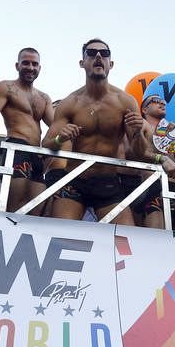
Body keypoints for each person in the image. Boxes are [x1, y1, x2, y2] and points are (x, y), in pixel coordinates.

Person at [42, 38, 144, 224]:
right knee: (59, 234)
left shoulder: (126, 102)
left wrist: (137, 132)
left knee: (124, 241)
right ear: (82, 63)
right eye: (91, 53)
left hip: (107, 180)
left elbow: (139, 152)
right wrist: (60, 138)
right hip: (74, 180)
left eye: (104, 53)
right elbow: (46, 143)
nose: (98, 56)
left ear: (110, 64)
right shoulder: (70, 102)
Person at [0, 47, 53, 212]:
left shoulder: (44, 98)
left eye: (35, 64)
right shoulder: (6, 87)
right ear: (17, 65)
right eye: (26, 63)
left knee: (35, 209)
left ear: (40, 68)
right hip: (16, 147)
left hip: (37, 154)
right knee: (13, 205)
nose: (30, 67)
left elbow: (56, 126)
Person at [135, 93, 175, 229]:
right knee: (157, 239)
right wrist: (162, 158)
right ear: (144, 110)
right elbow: (137, 152)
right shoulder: (142, 124)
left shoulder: (169, 128)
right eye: (155, 101)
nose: (162, 103)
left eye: (163, 101)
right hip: (153, 186)